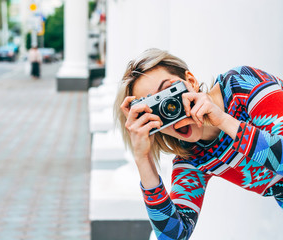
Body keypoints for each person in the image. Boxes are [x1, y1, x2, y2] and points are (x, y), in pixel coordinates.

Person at [113, 48, 283, 240]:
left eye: (170, 92)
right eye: (154, 108)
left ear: (191, 81)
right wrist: (143, 159)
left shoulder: (241, 84)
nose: (170, 109)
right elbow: (173, 237)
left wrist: (223, 121)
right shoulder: (192, 157)